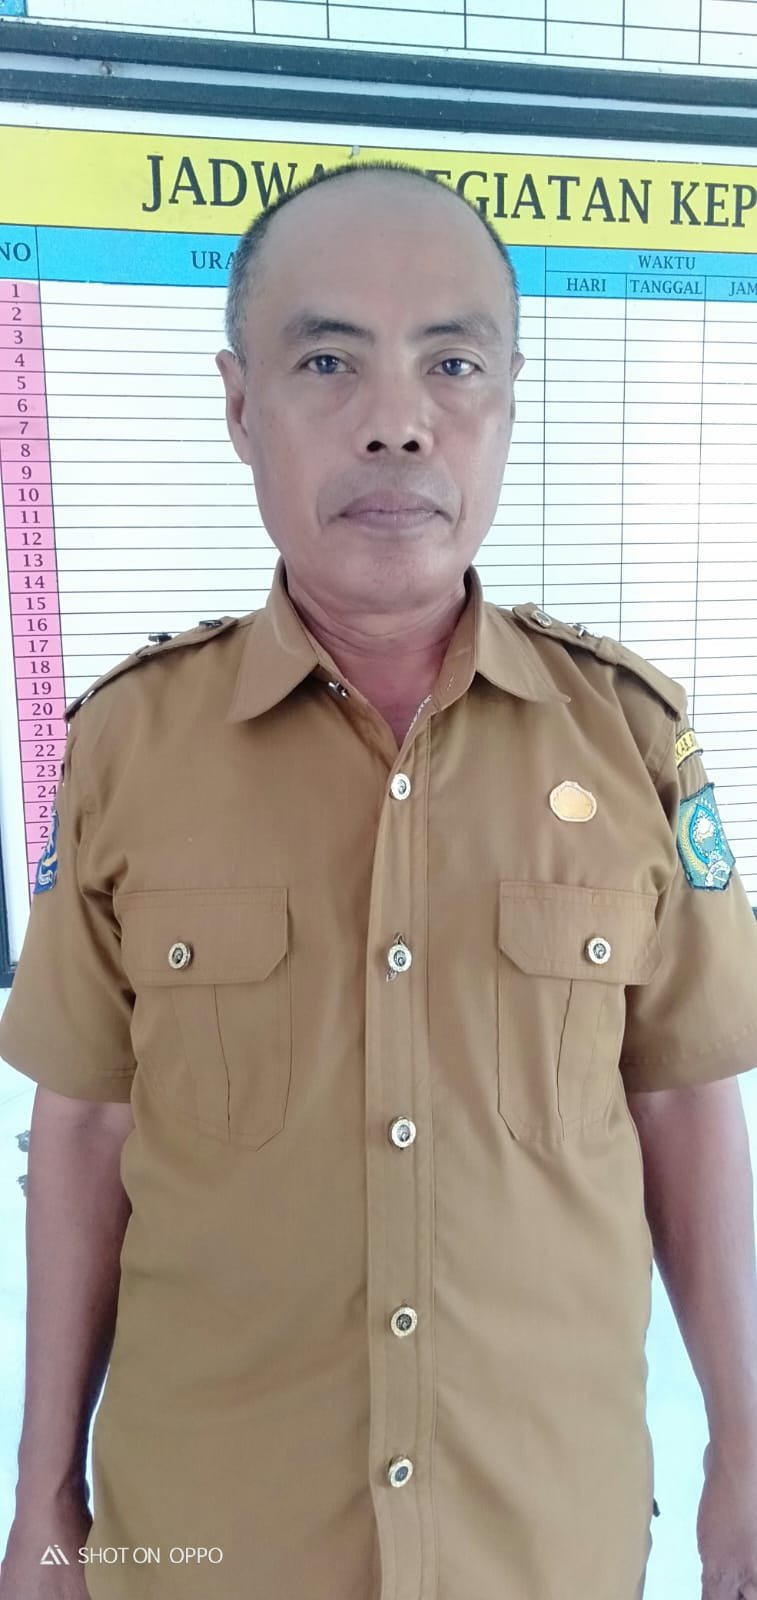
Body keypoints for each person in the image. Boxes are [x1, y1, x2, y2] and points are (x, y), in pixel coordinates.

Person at [0, 159, 756, 1600]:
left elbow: (682, 1107)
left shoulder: (631, 743)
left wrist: (746, 1450)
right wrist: (43, 1496)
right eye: (327, 361)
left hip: (541, 1543)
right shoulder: (126, 750)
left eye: (451, 364)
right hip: (210, 1544)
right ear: (240, 407)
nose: (397, 420)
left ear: (508, 401)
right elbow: (85, 1130)